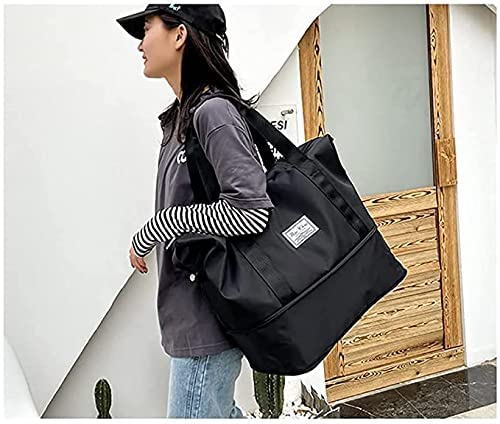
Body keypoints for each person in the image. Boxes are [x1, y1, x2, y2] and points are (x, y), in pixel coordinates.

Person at [116, 4, 274, 419]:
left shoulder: (212, 112)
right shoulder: (180, 119)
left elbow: (252, 212)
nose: (140, 45)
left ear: (179, 34)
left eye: (146, 29)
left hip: (208, 320)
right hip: (192, 317)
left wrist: (160, 226)